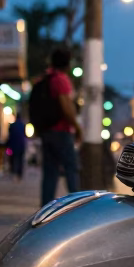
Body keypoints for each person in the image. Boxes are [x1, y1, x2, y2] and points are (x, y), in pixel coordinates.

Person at [34, 47, 83, 204]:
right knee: (71, 168)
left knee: (50, 172)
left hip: (47, 131)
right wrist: (77, 127)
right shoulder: (61, 80)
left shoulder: (47, 78)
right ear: (67, 64)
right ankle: (77, 206)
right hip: (61, 132)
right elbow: (66, 107)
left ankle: (45, 208)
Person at [5, 115, 27, 181]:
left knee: (13, 159)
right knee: (20, 160)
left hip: (13, 145)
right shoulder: (23, 125)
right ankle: (19, 174)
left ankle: (14, 172)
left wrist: (8, 144)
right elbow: (25, 136)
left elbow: (9, 135)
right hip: (21, 145)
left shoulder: (12, 125)